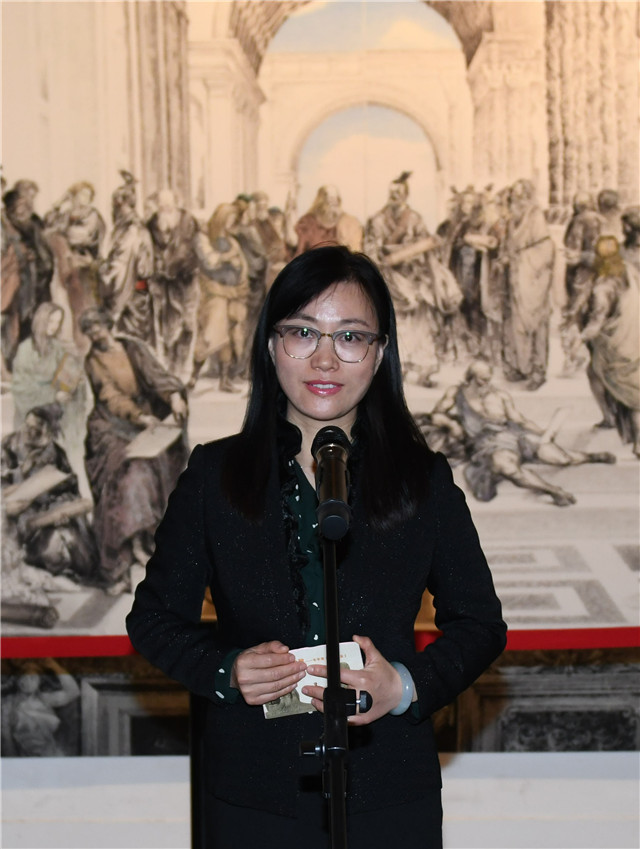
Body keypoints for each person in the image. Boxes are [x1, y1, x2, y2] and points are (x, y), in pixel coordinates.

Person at [127, 245, 506, 848]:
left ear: (380, 353)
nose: (325, 358)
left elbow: (480, 624)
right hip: (252, 791)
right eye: (303, 332)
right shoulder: (215, 475)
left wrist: (403, 686)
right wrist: (227, 670)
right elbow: (153, 620)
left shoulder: (422, 478)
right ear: (271, 344)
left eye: (351, 337)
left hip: (389, 787)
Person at [80, 307, 189, 595]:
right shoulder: (93, 361)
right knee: (130, 472)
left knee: (163, 462)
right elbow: (110, 397)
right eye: (89, 331)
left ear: (108, 324)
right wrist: (139, 417)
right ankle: (129, 545)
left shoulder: (133, 347)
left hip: (146, 418)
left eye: (97, 327)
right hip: (111, 425)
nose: (95, 334)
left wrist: (174, 397)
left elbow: (156, 375)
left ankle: (150, 539)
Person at [421, 360, 616, 507]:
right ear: (470, 378)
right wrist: (452, 425)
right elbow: (436, 415)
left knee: (560, 458)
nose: (487, 384)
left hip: (515, 435)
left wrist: (542, 432)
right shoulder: (456, 393)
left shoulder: (499, 395)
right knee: (507, 467)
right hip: (487, 444)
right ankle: (553, 491)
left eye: (488, 379)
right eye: (482, 380)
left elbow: (519, 419)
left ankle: (592, 457)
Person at [580, 236, 640, 458]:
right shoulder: (630, 272)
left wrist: (578, 339)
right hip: (635, 338)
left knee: (598, 374)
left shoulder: (603, 287)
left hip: (616, 346)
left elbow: (596, 324)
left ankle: (611, 419)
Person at [501, 179, 555, 390]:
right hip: (515, 280)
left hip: (532, 280)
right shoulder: (512, 218)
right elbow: (509, 245)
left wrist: (521, 261)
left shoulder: (535, 216)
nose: (517, 199)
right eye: (514, 195)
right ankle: (520, 367)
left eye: (520, 195)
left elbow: (544, 249)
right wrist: (506, 258)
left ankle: (537, 371)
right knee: (515, 325)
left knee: (536, 325)